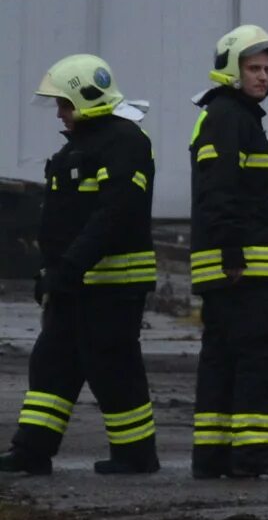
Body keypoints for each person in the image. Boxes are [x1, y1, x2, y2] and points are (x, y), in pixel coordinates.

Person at [5, 56, 160, 477]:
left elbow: (113, 213)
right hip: (73, 283)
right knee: (52, 362)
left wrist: (68, 267)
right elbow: (64, 222)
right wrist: (50, 270)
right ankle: (32, 450)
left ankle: (136, 455)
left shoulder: (124, 141)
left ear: (87, 97)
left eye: (64, 104)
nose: (60, 113)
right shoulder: (78, 146)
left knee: (113, 366)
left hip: (113, 284)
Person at [189, 24, 268, 481]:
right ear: (230, 70)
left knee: (223, 356)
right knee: (263, 354)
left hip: (233, 267)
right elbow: (218, 192)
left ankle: (213, 455)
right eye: (254, 68)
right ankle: (256, 452)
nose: (263, 77)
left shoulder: (235, 117)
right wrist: (233, 255)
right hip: (241, 269)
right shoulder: (227, 118)